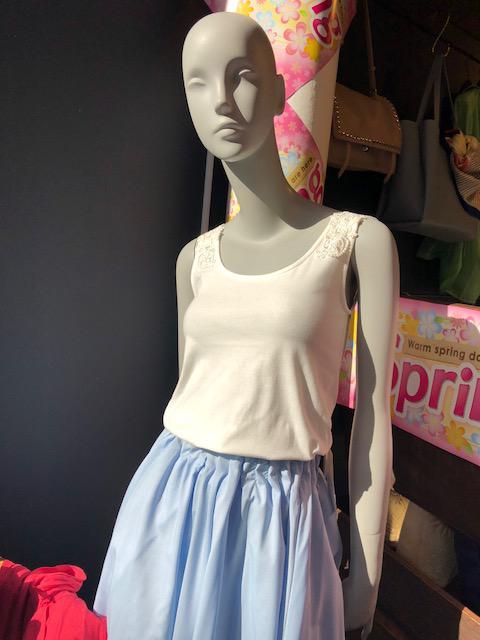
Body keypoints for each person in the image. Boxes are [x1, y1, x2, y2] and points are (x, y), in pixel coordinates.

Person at [93, 11, 399, 639]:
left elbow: (371, 419)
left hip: (279, 526)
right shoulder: (194, 261)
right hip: (173, 508)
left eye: (241, 76)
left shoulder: (357, 242)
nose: (221, 100)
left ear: (281, 91)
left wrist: (365, 578)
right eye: (198, 82)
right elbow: (196, 392)